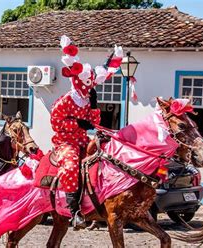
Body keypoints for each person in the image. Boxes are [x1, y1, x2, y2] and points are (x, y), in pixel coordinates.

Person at [50, 35, 123, 230]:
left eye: (91, 85)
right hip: (65, 142)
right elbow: (55, 121)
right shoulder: (66, 100)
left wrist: (94, 106)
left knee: (105, 160)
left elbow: (94, 123)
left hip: (83, 140)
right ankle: (74, 212)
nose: (89, 87)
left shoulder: (86, 98)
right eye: (87, 84)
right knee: (72, 165)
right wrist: (77, 124)